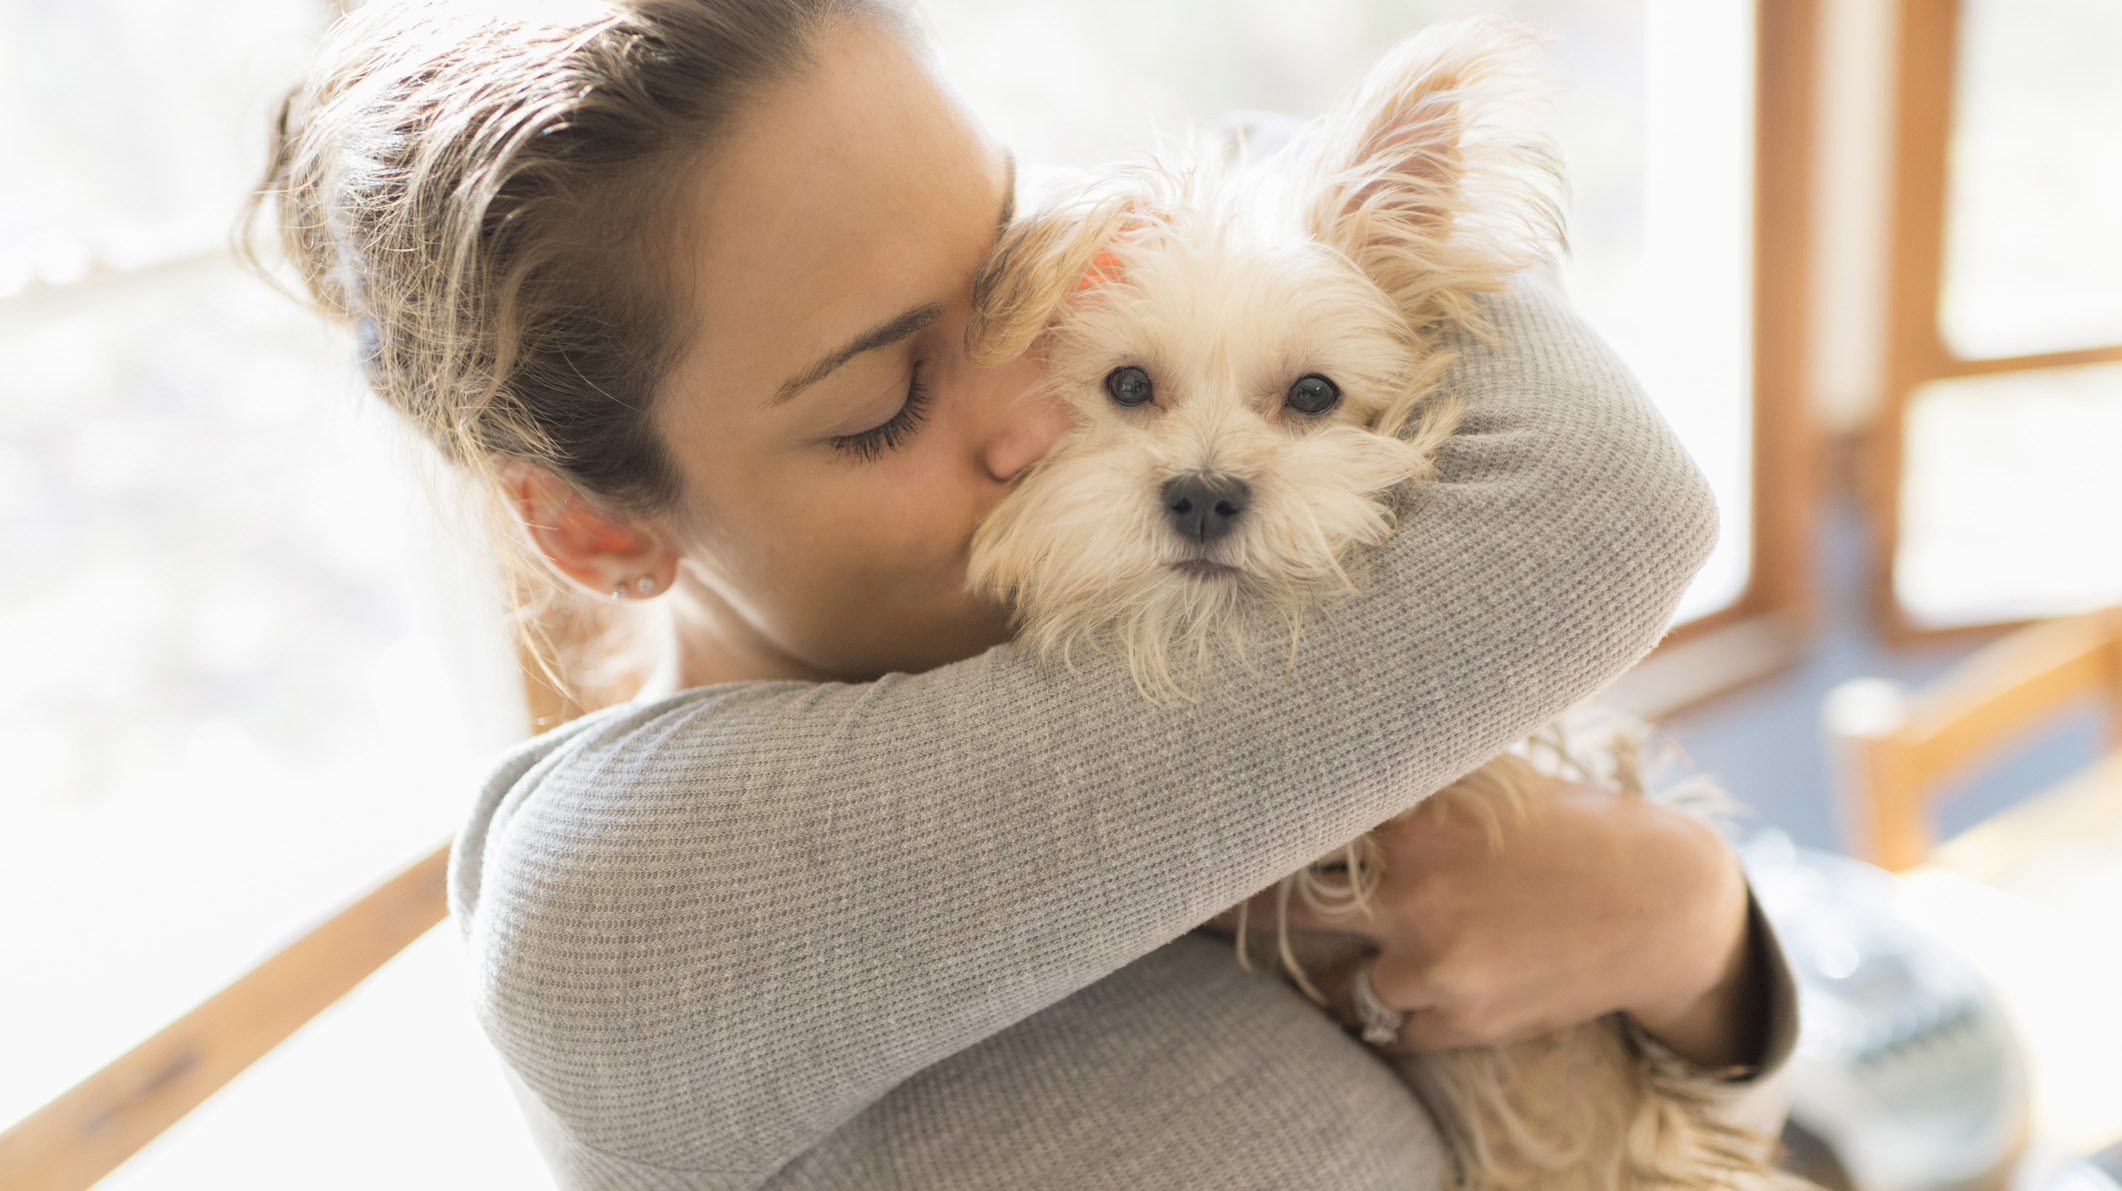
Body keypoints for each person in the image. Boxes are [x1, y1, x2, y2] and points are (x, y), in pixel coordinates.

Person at [253, 1, 1797, 1187]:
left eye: (1014, 260)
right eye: (879, 397)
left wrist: (1700, 950)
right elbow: (1605, 511)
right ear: (593, 534)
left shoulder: (1147, 641)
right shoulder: (614, 913)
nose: (1033, 403)